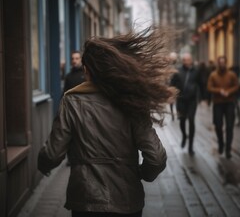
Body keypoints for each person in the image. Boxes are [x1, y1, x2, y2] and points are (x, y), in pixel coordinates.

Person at [38, 26, 177, 217]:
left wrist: (43, 164)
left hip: (86, 200)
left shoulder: (72, 101)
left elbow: (53, 153)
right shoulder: (131, 100)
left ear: (87, 70)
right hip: (127, 200)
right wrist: (142, 174)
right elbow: (157, 157)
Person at [207, 56, 239, 159]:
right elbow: (209, 87)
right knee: (218, 125)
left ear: (226, 63)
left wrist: (229, 92)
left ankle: (228, 149)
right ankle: (221, 143)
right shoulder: (213, 75)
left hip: (229, 103)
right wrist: (219, 91)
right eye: (220, 63)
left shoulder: (232, 74)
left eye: (223, 63)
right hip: (218, 103)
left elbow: (236, 85)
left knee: (229, 126)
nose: (222, 64)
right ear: (218, 63)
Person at [171, 53, 200, 156]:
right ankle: (184, 135)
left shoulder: (196, 71)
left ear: (191, 60)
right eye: (184, 60)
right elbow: (172, 84)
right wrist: (172, 95)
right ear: (182, 61)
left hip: (192, 101)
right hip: (181, 100)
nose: (186, 62)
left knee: (191, 120)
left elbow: (200, 83)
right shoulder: (177, 71)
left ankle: (190, 146)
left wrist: (202, 97)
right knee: (182, 120)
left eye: (188, 60)